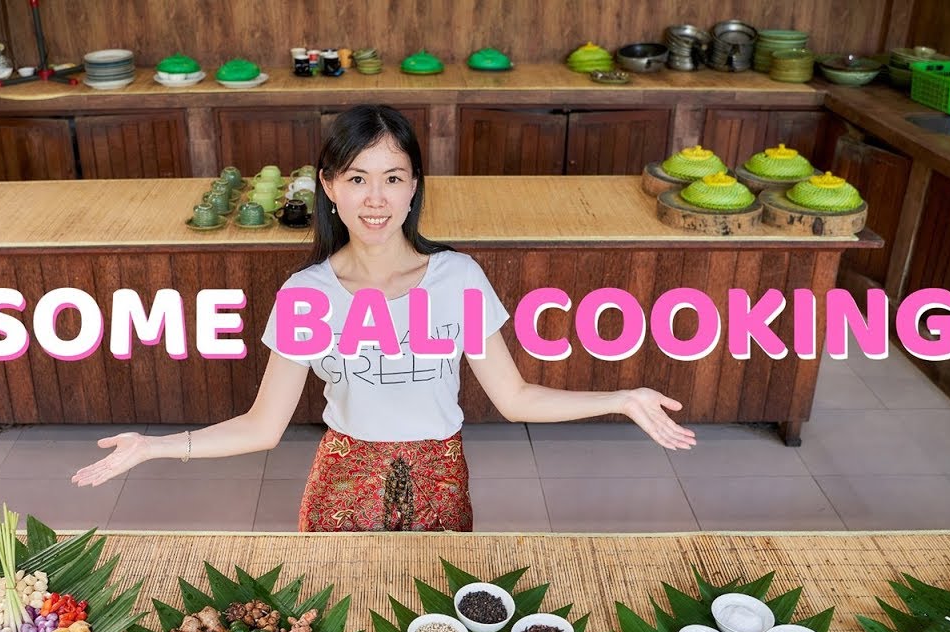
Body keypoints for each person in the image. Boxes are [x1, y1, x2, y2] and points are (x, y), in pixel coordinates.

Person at [71, 104, 695, 531]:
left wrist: (620, 397)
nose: (376, 199)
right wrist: (153, 448)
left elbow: (516, 397)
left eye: (393, 178)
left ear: (414, 185)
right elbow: (262, 427)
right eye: (358, 178)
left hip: (441, 480)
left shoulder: (458, 277)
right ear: (330, 187)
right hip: (343, 482)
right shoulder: (306, 294)